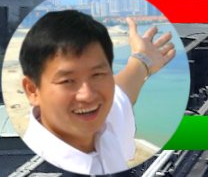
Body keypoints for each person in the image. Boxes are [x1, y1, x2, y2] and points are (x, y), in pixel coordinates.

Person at [19, 10, 176, 175]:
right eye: (67, 81)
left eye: (97, 75)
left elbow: (122, 92)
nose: (87, 95)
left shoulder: (103, 123)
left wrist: (143, 60)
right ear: (32, 90)